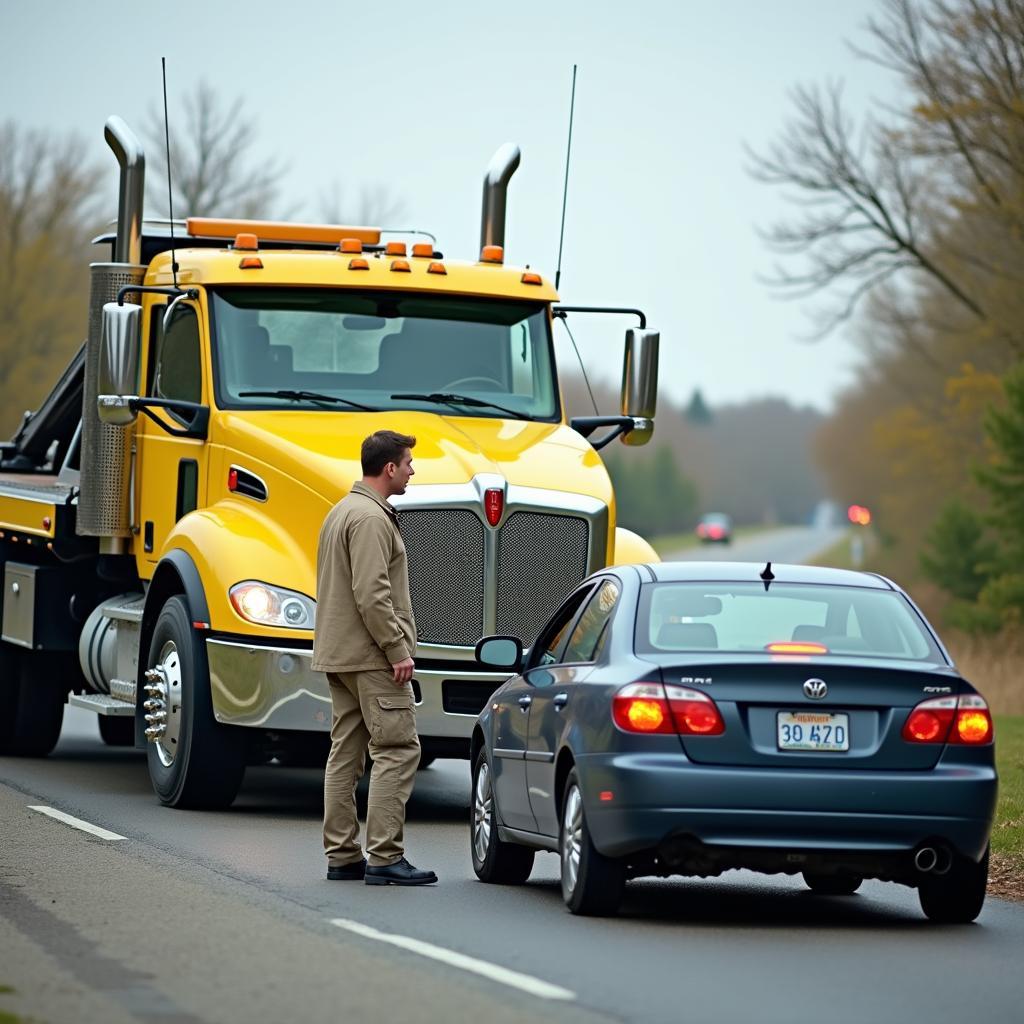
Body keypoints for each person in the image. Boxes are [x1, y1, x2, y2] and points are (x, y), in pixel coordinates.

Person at [312, 429, 437, 886]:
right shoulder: (370, 518)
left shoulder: (342, 511)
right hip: (371, 657)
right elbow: (371, 593)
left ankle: (343, 855)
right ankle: (385, 856)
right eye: (407, 463)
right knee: (399, 749)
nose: (411, 470)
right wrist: (396, 649)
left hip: (340, 654)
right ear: (389, 468)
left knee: (345, 752)